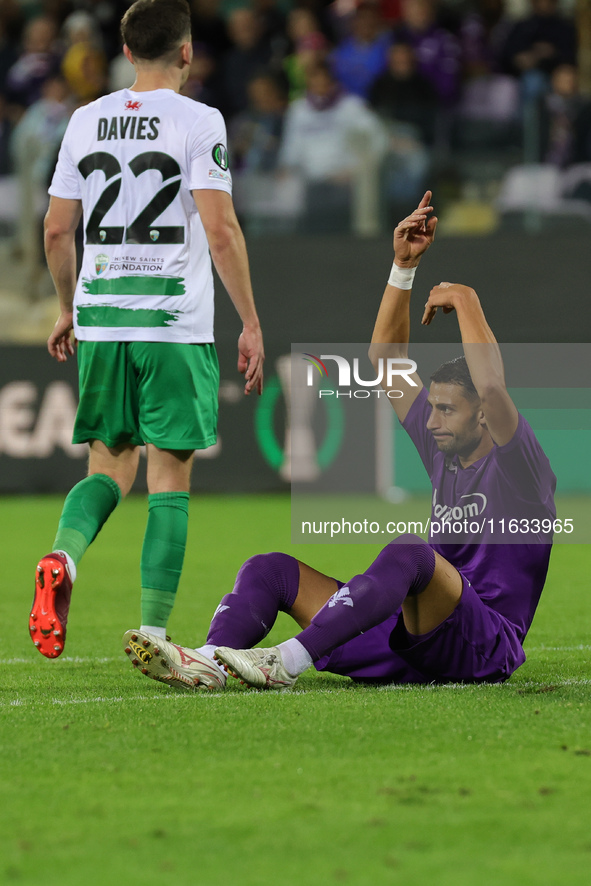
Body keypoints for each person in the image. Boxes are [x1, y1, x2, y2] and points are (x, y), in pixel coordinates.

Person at [123, 190, 556, 693]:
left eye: (446, 410)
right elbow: (385, 359)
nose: (431, 420)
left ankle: (286, 661)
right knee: (271, 571)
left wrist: (465, 300)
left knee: (411, 553)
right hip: (413, 637)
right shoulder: (446, 449)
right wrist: (403, 268)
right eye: (432, 407)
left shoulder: (520, 466)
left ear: (482, 417)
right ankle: (207, 661)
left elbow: (493, 387)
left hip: (482, 645)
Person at [29, 0, 264, 661]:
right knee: (169, 474)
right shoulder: (200, 120)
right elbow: (219, 229)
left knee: (107, 464)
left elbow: (54, 228)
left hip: (102, 322)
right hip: (171, 323)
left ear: (126, 53)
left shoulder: (84, 119)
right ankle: (155, 633)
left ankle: (62, 558)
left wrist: (68, 307)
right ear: (187, 53)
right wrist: (249, 321)